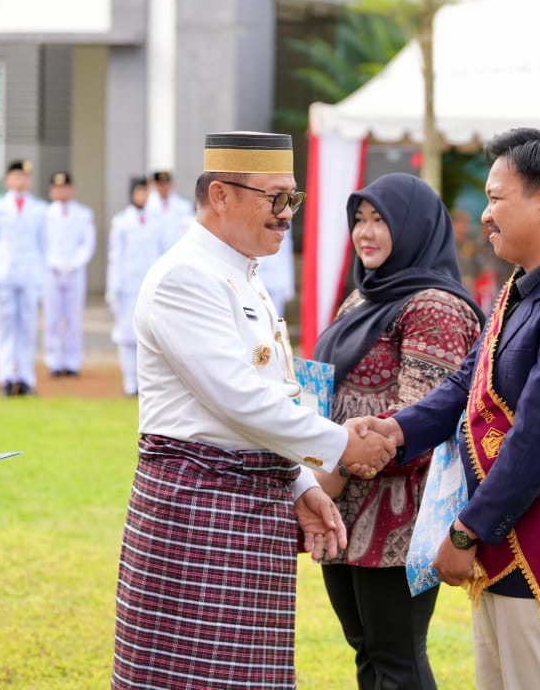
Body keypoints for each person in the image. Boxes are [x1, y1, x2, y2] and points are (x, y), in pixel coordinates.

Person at [111, 131, 397, 690]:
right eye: (275, 197)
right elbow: (238, 398)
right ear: (220, 195)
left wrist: (301, 485)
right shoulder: (186, 276)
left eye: (293, 198)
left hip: (251, 506)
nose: (286, 213)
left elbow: (271, 396)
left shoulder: (243, 275)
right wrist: (341, 445)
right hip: (200, 511)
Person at [361, 128, 540, 689]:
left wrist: (465, 532)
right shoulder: (523, 286)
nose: (485, 215)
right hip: (501, 542)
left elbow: (539, 439)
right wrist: (393, 430)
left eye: (496, 198)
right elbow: (467, 383)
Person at [312, 172, 484, 690]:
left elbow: (424, 416)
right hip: (341, 502)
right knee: (366, 650)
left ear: (413, 226)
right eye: (359, 220)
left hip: (398, 517)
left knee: (396, 658)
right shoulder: (362, 298)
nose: (365, 232)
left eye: (380, 220)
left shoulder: (436, 307)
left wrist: (344, 459)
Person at [0, 160, 47, 396]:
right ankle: (6, 377)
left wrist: (42, 278)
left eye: (24, 176)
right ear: (7, 180)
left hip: (30, 273)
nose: (21, 180)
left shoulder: (39, 208)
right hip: (4, 273)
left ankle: (25, 378)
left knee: (28, 327)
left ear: (29, 180)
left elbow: (44, 245)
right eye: (16, 175)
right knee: (5, 326)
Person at [105, 177, 164, 396]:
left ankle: (145, 381)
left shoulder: (156, 221)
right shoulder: (121, 221)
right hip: (128, 286)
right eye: (139, 192)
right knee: (126, 335)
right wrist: (114, 287)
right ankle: (129, 380)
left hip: (150, 286)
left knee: (149, 335)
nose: (143, 196)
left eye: (145, 192)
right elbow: (115, 256)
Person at [43, 171, 96, 378]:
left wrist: (74, 263)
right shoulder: (44, 214)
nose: (61, 191)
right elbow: (41, 243)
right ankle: (54, 360)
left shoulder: (83, 214)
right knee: (52, 317)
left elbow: (87, 243)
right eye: (57, 188)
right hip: (51, 271)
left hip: (75, 271)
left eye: (65, 187)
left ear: (72, 189)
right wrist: (55, 262)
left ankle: (72, 361)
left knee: (74, 318)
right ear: (51, 190)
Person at [145, 169, 194, 251]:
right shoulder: (146, 206)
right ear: (154, 184)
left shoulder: (184, 207)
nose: (163, 187)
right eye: (159, 184)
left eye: (165, 183)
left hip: (176, 252)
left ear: (171, 184)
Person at [256, 220, 295, 316]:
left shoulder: (284, 217)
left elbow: (286, 248)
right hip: (254, 272)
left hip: (276, 277)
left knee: (275, 317)